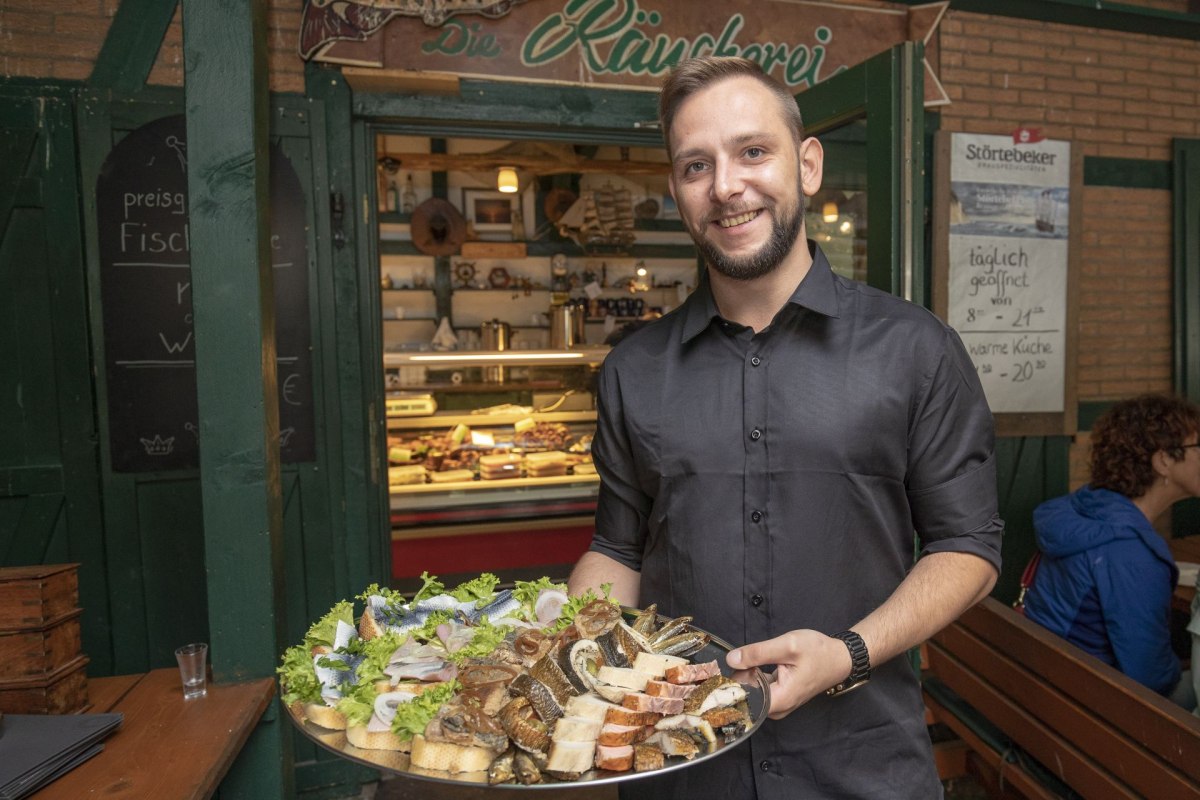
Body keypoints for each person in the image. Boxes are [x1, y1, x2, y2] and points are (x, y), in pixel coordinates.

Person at [568, 56, 1003, 799]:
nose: (727, 185)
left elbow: (969, 546)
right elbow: (619, 546)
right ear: (677, 191)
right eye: (696, 165)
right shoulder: (632, 370)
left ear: (807, 166)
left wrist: (850, 654)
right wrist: (558, 645)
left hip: (860, 768)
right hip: (679, 769)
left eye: (752, 151)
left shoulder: (915, 350)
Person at [1023, 394, 1197, 709]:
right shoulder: (1129, 553)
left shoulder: (1084, 510)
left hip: (1042, 689)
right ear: (1163, 461)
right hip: (1088, 712)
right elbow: (1151, 679)